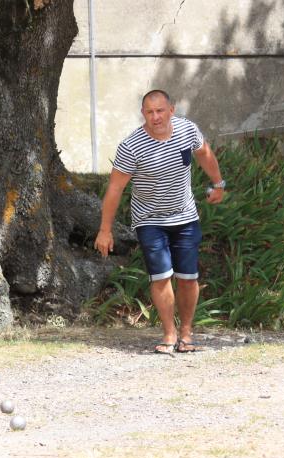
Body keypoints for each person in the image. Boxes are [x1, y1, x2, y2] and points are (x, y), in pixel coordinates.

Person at [94, 89, 225, 354]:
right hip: (149, 220)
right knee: (162, 276)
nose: (156, 117)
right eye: (150, 112)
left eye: (160, 111)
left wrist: (218, 183)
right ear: (143, 114)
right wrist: (104, 230)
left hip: (186, 217)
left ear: (171, 110)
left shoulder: (187, 130)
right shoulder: (131, 146)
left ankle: (186, 333)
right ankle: (169, 333)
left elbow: (203, 153)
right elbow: (115, 189)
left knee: (188, 277)